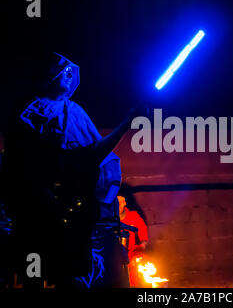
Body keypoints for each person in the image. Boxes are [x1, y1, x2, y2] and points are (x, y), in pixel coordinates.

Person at [0, 52, 136, 287]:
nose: (69, 73)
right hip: (37, 209)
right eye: (64, 69)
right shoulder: (28, 113)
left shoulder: (76, 113)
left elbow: (93, 153)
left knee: (70, 276)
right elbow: (21, 162)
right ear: (49, 75)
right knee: (34, 273)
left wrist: (127, 123)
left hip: (73, 211)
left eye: (72, 70)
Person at [118, 192, 148, 287]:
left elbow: (142, 227)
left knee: (133, 279)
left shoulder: (133, 216)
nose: (118, 205)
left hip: (130, 253)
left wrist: (143, 243)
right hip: (114, 255)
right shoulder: (108, 218)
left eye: (120, 202)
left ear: (125, 203)